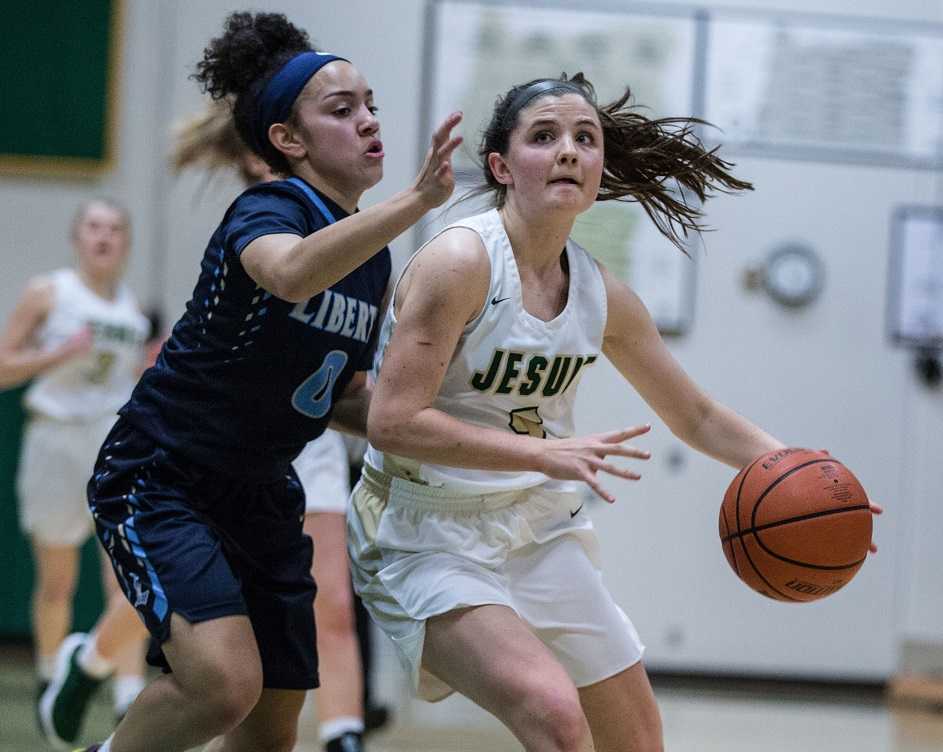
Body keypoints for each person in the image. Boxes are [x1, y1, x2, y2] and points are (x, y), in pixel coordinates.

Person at [347, 73, 883, 752]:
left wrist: (815, 480)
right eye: (544, 136)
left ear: (599, 168)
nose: (568, 150)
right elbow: (391, 421)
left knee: (636, 736)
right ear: (501, 167)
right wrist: (541, 453)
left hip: (535, 527)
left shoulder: (602, 294)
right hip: (422, 533)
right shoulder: (460, 261)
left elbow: (697, 417)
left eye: (584, 137)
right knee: (553, 714)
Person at [64, 10, 460, 752]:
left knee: (272, 722)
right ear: (288, 139)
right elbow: (286, 273)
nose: (369, 120)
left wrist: (450, 428)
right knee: (221, 683)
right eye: (342, 110)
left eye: (371, 104)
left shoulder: (371, 261)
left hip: (262, 490)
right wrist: (416, 202)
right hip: (163, 475)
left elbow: (339, 393)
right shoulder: (270, 208)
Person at [0, 199, 152, 732]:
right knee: (58, 580)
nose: (104, 237)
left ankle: (127, 695)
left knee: (127, 576)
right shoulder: (49, 292)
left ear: (126, 242)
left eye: (115, 228)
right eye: (94, 227)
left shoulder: (132, 310)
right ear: (77, 237)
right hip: (55, 440)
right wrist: (58, 353)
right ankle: (50, 678)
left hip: (112, 447)